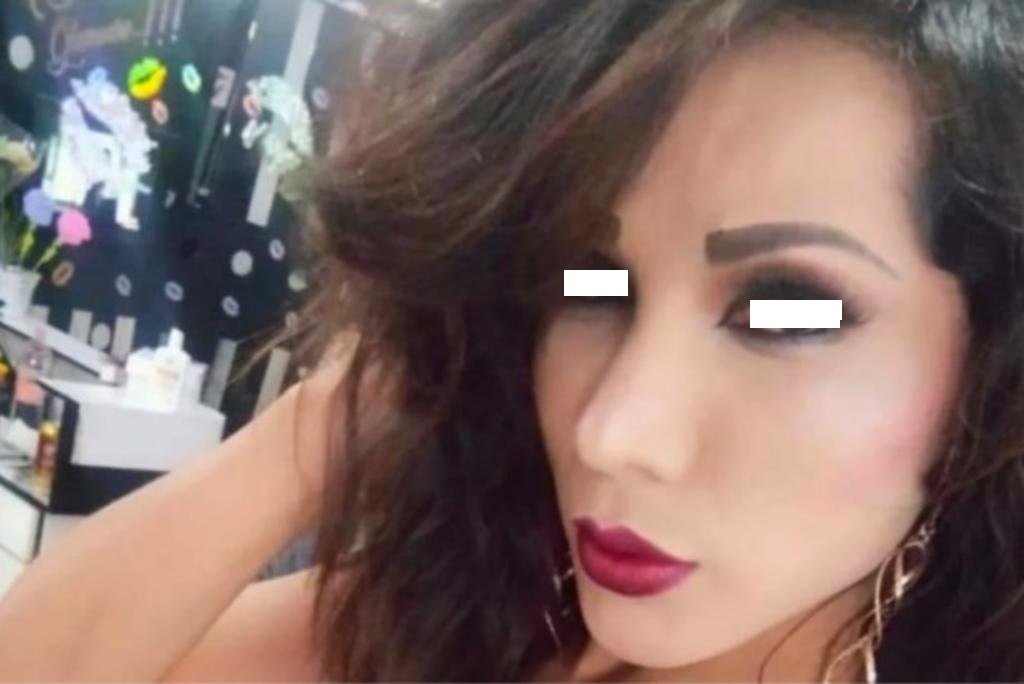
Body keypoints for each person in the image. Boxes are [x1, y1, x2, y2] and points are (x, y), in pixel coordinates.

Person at [2, 0, 1024, 681]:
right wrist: (337, 414)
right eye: (592, 287)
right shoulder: (469, 630)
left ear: (992, 369)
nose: (612, 431)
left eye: (783, 309)